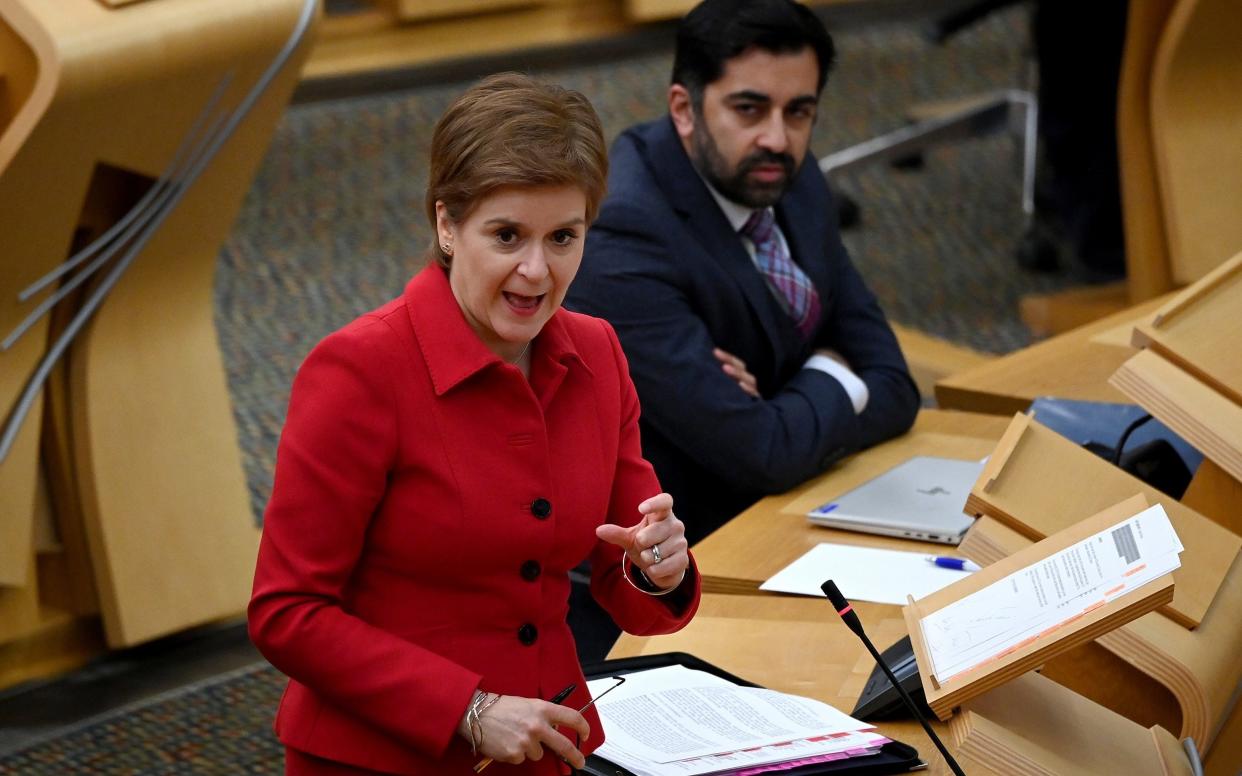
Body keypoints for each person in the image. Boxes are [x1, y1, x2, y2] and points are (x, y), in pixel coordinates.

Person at [248, 73, 701, 775]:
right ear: (446, 227)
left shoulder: (598, 353)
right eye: (507, 235)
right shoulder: (360, 370)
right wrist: (469, 708)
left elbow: (624, 574)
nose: (535, 269)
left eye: (563, 237)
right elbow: (287, 611)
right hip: (380, 756)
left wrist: (658, 569)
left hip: (548, 746)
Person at [565, 0, 920, 545]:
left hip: (813, 493)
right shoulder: (622, 237)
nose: (777, 138)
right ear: (683, 110)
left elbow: (895, 386)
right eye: (749, 109)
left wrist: (782, 403)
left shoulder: (788, 181)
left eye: (798, 112)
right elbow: (762, 453)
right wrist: (835, 371)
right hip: (687, 552)